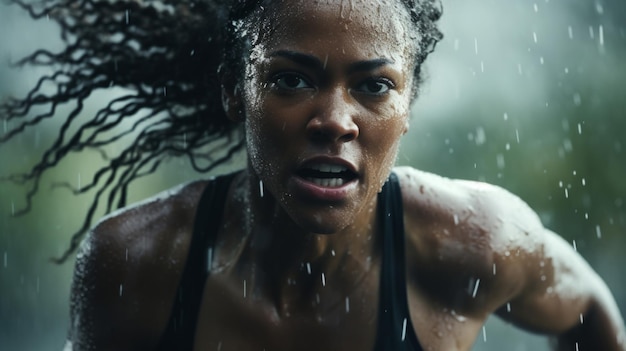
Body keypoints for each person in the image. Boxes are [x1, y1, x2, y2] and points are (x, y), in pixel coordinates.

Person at [2, 0, 624, 350]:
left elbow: (589, 313)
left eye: (374, 86)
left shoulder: (471, 244)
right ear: (233, 92)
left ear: (408, 108)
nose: (335, 121)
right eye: (291, 79)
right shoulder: (136, 266)